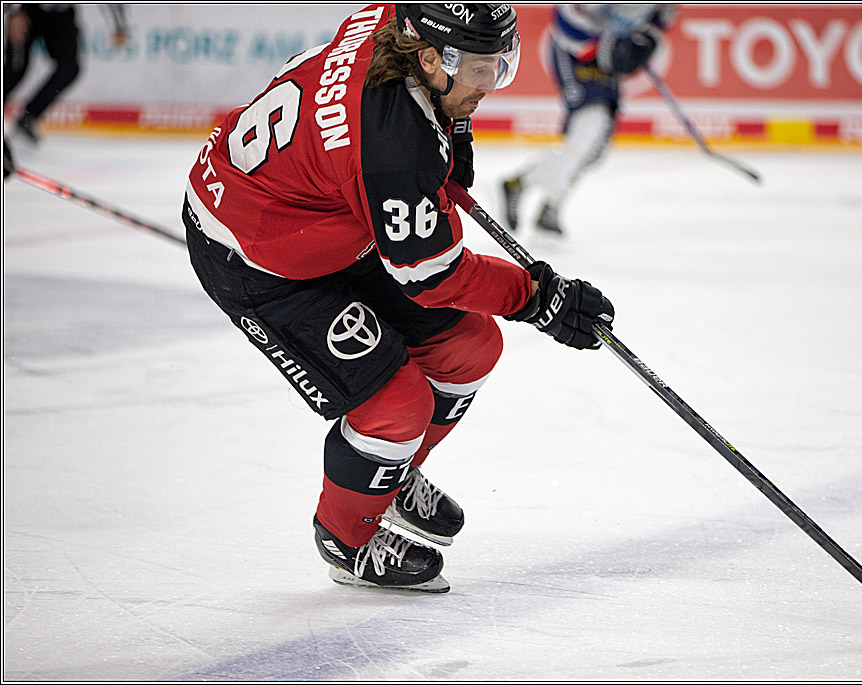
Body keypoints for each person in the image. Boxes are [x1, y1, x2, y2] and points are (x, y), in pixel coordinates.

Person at [182, 4, 614, 593]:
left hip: (330, 221)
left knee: (470, 347)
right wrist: (539, 299)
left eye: (499, 65)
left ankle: (384, 477)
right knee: (397, 406)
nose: (490, 84)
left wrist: (447, 151)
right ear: (432, 60)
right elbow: (433, 274)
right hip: (257, 257)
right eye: (481, 69)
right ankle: (346, 538)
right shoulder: (391, 145)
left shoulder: (399, 25)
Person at [501, 4, 676, 235]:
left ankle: (523, 184)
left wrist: (645, 41)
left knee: (595, 148)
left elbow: (660, 19)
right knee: (591, 124)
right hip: (575, 47)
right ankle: (552, 204)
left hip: (609, 43)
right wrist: (600, 47)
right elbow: (570, 16)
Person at [3, 4, 128, 144]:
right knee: (16, 69)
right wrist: (16, 11)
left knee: (69, 68)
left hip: (61, 13)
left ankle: (30, 116)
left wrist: (119, 25)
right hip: (29, 10)